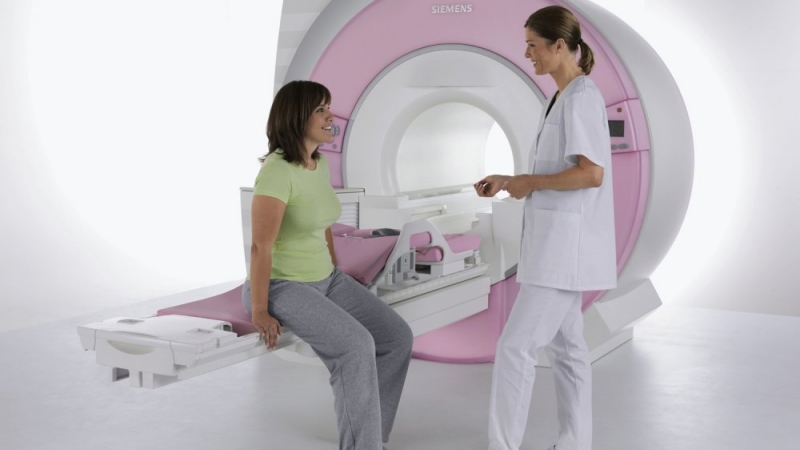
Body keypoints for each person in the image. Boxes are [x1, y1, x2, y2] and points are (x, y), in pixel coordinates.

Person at [242, 80, 414, 450]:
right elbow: (260, 246)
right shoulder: (277, 172)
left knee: (396, 337)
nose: (330, 116)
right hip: (283, 285)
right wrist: (259, 310)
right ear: (297, 116)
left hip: (327, 279)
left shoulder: (317, 164)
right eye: (320, 109)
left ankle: (372, 436)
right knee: (355, 346)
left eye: (328, 107)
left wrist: (338, 272)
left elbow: (323, 224)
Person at [474, 6, 617, 450]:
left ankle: (503, 446)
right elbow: (557, 170)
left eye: (533, 45)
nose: (527, 54)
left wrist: (528, 182)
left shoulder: (581, 97)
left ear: (559, 45)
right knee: (567, 349)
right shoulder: (561, 97)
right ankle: (575, 443)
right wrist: (509, 180)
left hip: (562, 250)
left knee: (514, 347)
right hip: (556, 245)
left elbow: (592, 174)